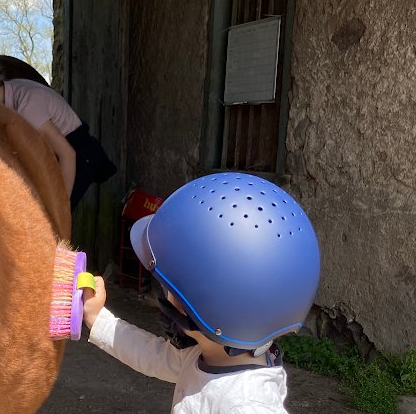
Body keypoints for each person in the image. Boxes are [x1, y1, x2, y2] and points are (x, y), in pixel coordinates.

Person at [82, 172, 321, 413]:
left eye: (166, 288)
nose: (163, 295)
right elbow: (152, 355)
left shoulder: (247, 405)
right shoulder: (206, 354)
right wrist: (98, 319)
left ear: (202, 305)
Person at [0, 59, 116, 211]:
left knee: (55, 223)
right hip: (58, 150)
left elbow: (68, 154)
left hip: (78, 153)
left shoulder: (27, 107)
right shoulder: (11, 88)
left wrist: (61, 206)